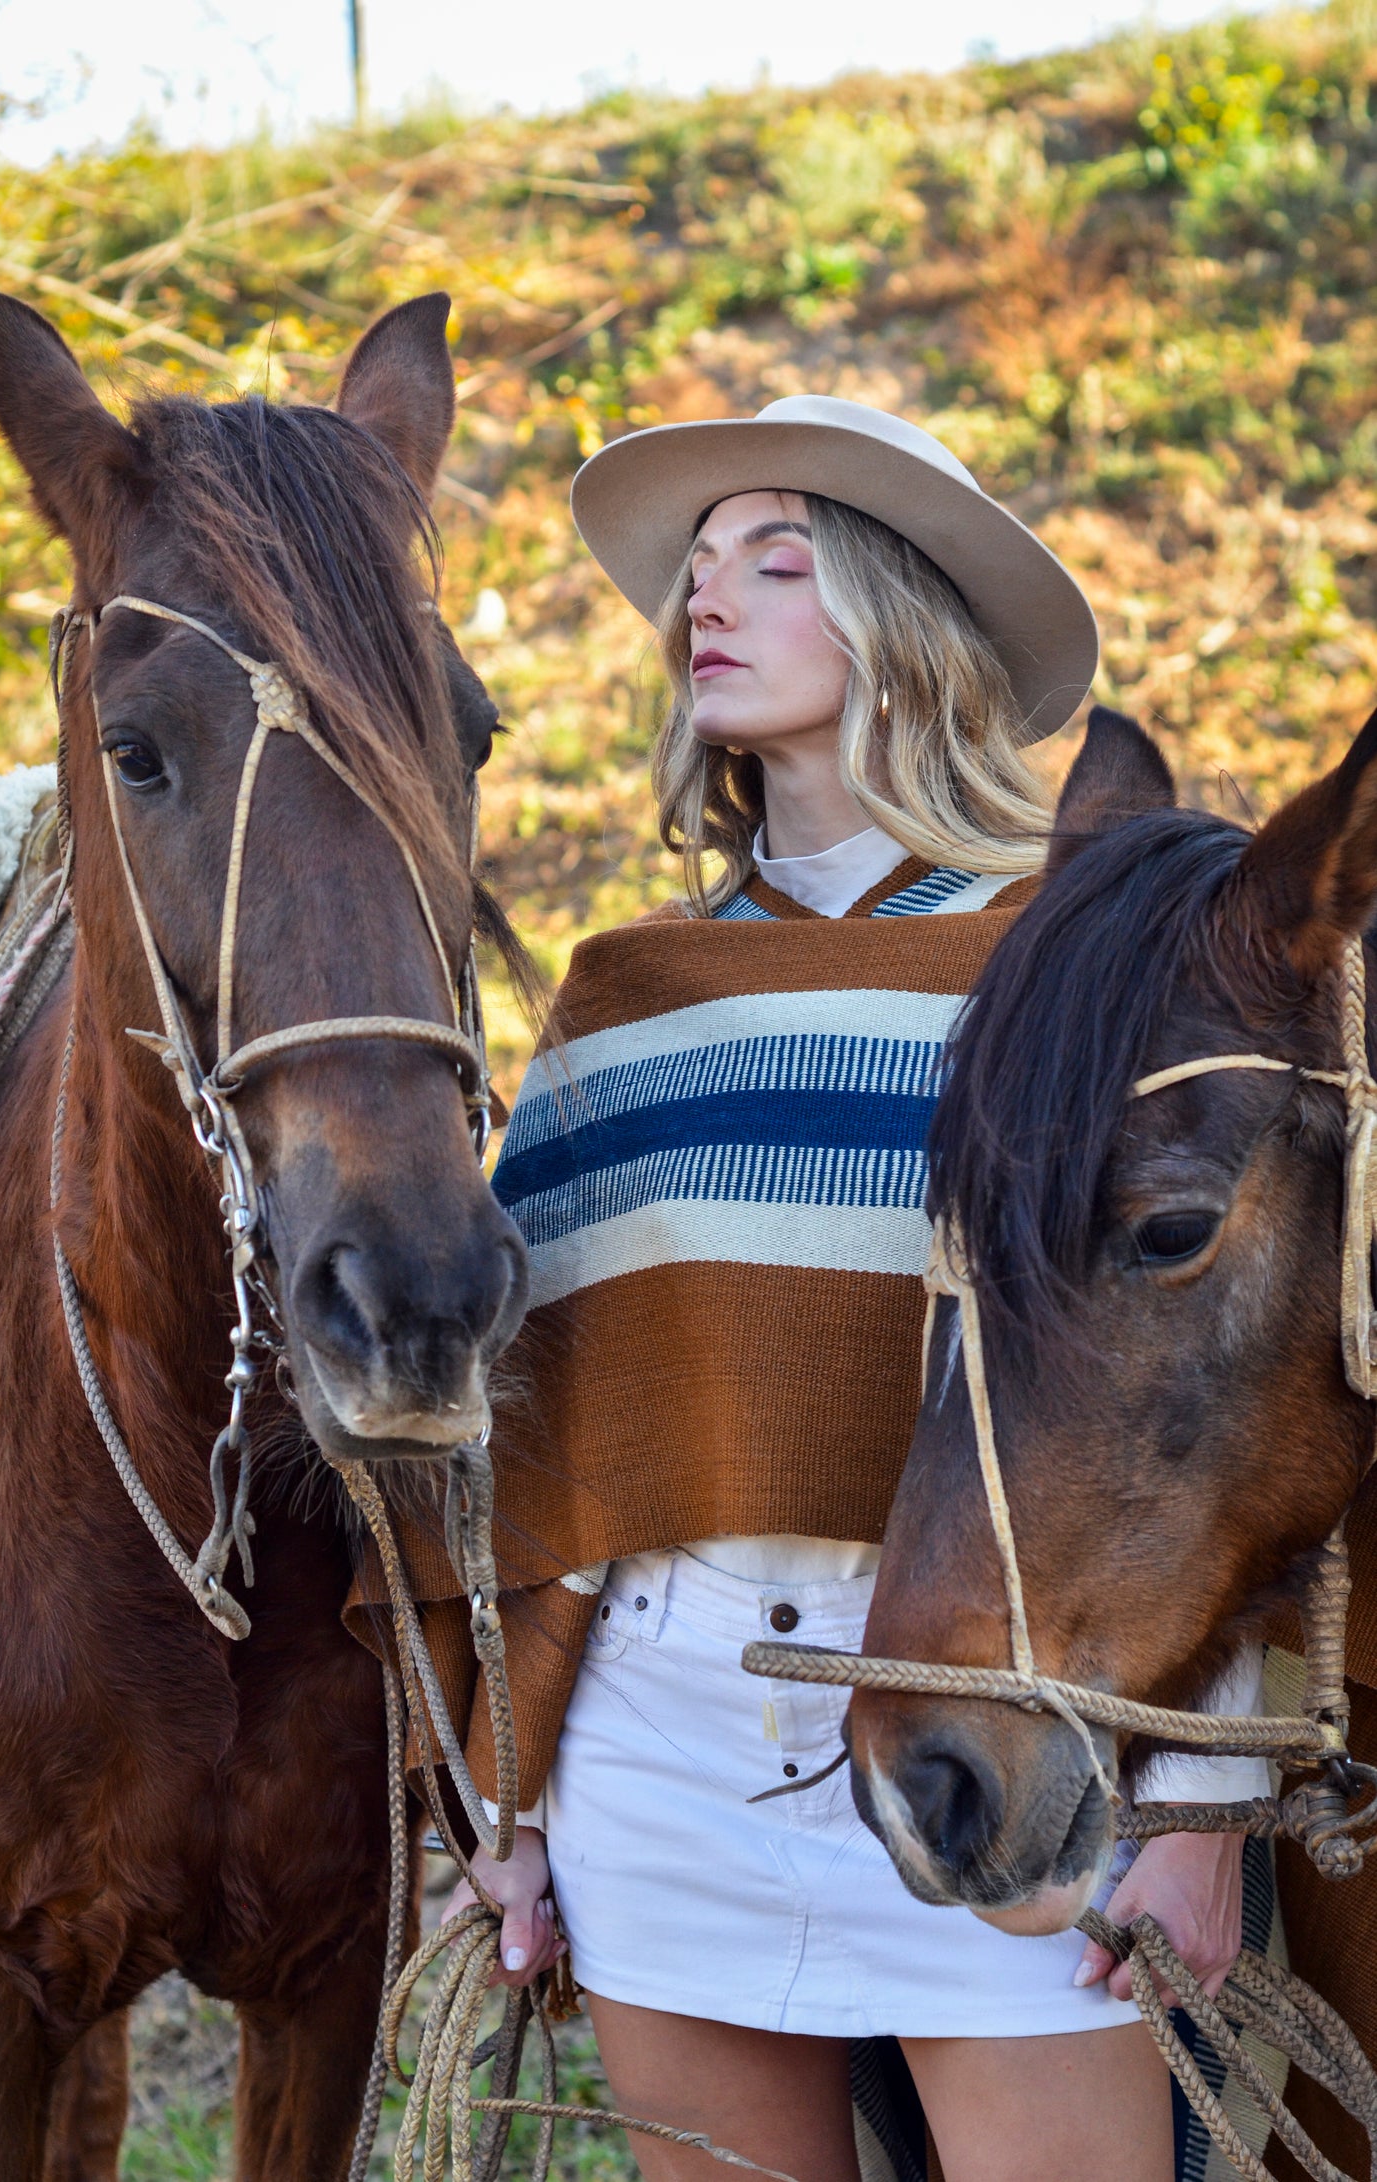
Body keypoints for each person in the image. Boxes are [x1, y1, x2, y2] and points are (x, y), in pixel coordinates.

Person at [419, 396, 1268, 2182]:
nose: (707, 600)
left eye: (775, 560)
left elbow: (1205, 1394)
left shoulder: (1082, 965)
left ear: (898, 613)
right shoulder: (627, 995)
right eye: (697, 572)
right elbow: (543, 1447)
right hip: (663, 1757)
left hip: (1019, 1736)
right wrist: (499, 1800)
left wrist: (1200, 1803)